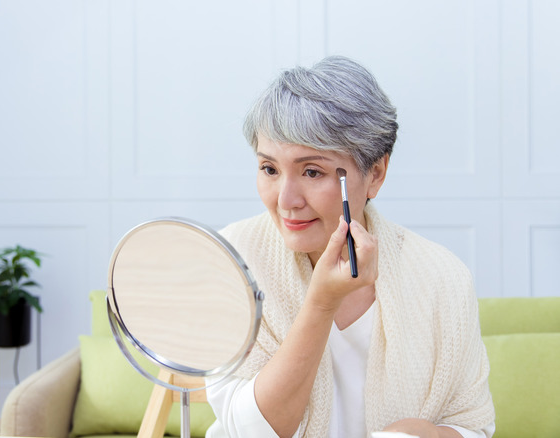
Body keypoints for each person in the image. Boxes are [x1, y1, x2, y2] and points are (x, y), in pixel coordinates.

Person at [205, 56, 495, 438]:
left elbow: (472, 425)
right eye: (270, 169)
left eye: (312, 171)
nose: (286, 199)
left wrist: (416, 434)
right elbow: (253, 430)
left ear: (375, 174)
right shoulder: (233, 258)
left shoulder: (443, 276)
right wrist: (321, 302)